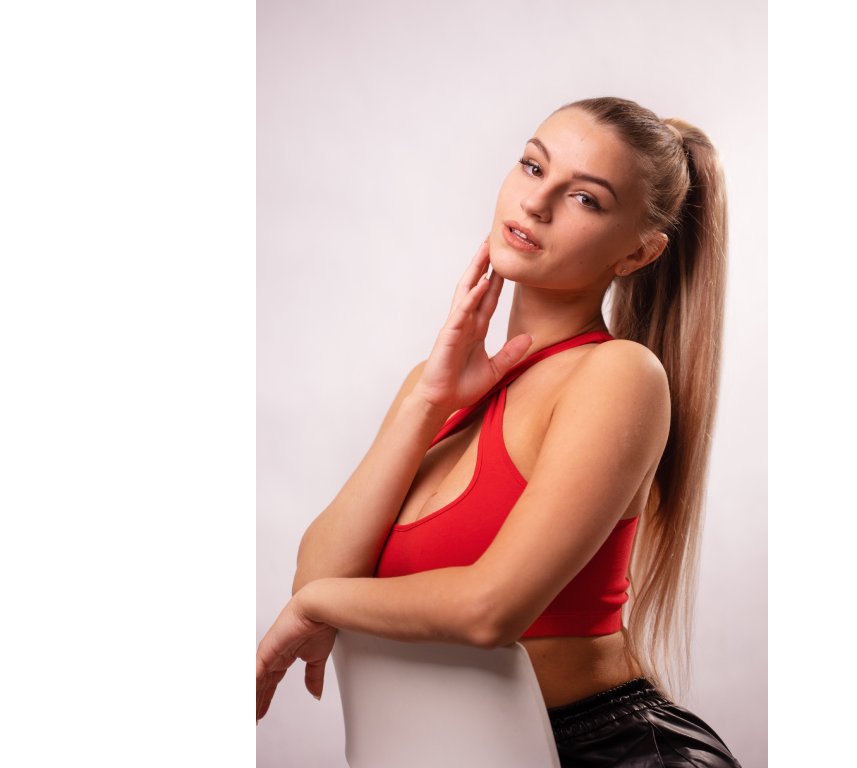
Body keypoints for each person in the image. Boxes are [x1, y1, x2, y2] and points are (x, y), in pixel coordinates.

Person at [256, 96, 740, 767]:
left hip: (607, 751)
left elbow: (491, 609)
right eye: (533, 167)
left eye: (585, 199)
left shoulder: (618, 376)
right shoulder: (437, 388)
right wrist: (428, 402)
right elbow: (317, 574)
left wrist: (318, 605)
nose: (536, 203)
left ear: (638, 252)